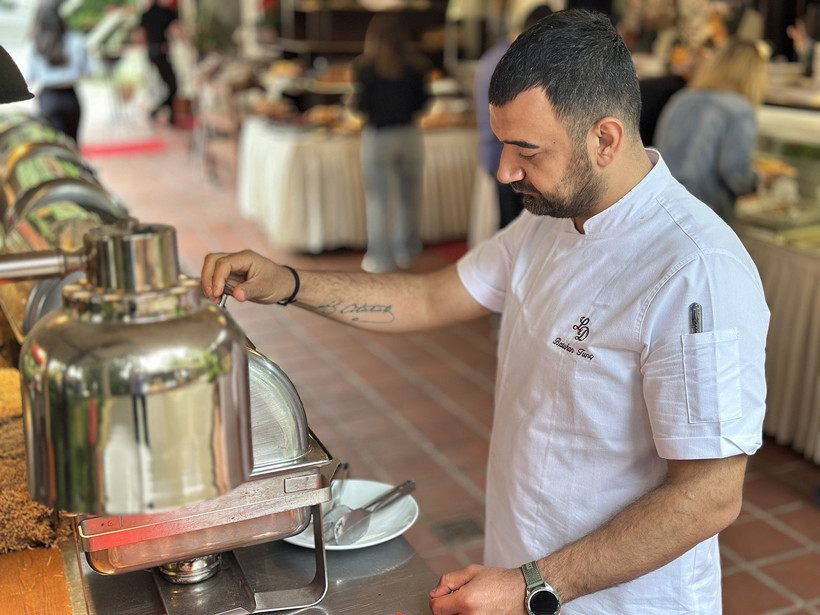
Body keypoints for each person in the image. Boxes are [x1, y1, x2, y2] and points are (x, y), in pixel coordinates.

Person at [201, 9, 769, 614]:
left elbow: (708, 496)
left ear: (605, 139)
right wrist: (286, 283)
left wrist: (533, 585)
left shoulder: (694, 269)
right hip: (526, 572)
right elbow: (428, 296)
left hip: (615, 600)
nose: (504, 171)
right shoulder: (547, 223)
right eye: (503, 144)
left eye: (527, 149)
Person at [349, 14, 431, 273]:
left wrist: (353, 103)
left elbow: (363, 106)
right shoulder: (418, 66)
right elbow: (423, 104)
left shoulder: (364, 67)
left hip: (379, 137)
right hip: (409, 135)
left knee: (379, 200)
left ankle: (380, 258)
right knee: (410, 197)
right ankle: (407, 251)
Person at [654, 38, 769, 222]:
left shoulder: (682, 98)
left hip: (666, 209)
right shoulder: (740, 109)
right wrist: (761, 180)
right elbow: (735, 173)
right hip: (708, 215)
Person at [473, 4, 553, 229]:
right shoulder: (513, 63)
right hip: (508, 156)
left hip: (495, 153)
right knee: (515, 232)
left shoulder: (496, 55)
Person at [23, 2, 92, 143]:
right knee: (72, 146)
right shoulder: (75, 40)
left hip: (49, 98)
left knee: (54, 147)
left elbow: (29, 76)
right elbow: (88, 71)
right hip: (70, 97)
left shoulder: (34, 44)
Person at [136, 0, 179, 125]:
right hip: (160, 53)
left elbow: (142, 36)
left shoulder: (147, 14)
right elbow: (175, 30)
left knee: (170, 85)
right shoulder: (166, 13)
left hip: (153, 53)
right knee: (172, 85)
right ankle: (159, 111)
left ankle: (167, 114)